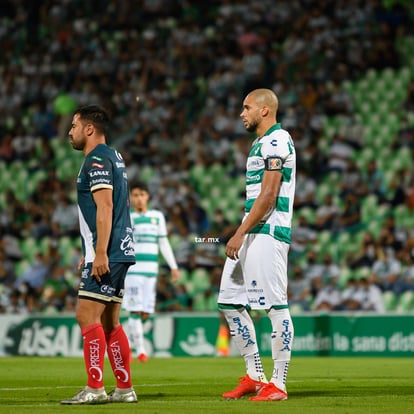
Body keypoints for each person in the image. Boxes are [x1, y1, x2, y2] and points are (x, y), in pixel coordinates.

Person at [217, 88, 295, 401]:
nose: (241, 113)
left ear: (264, 110)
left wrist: (239, 232)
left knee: (275, 306)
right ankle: (255, 375)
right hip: (252, 232)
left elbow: (269, 195)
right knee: (229, 301)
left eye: (246, 107)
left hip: (268, 233)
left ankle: (279, 383)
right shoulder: (259, 143)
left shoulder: (277, 139)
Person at [61, 105, 137, 405]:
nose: (70, 131)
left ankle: (94, 388)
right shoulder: (113, 156)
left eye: (74, 125)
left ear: (89, 129)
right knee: (109, 321)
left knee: (85, 316)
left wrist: (100, 252)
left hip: (110, 251)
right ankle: (124, 388)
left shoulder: (96, 160)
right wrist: (91, 249)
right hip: (119, 249)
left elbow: (105, 207)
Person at [123, 181, 179, 362]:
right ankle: (139, 351)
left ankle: (129, 342)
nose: (139, 199)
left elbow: (163, 243)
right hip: (133, 271)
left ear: (147, 196)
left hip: (152, 271)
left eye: (142, 195)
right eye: (135, 195)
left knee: (146, 313)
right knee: (135, 310)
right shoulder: (127, 218)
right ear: (131, 198)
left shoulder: (157, 217)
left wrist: (173, 266)